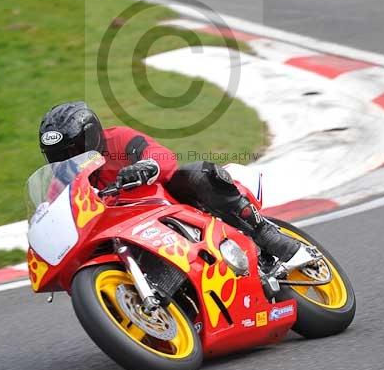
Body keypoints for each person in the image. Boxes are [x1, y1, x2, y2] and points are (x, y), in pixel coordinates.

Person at [38, 101, 312, 271]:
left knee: (195, 173)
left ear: (92, 136)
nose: (67, 159)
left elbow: (161, 155)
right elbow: (57, 211)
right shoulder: (63, 182)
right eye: (58, 155)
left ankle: (264, 233)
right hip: (122, 231)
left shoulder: (119, 140)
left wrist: (146, 166)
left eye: (73, 150)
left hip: (164, 206)